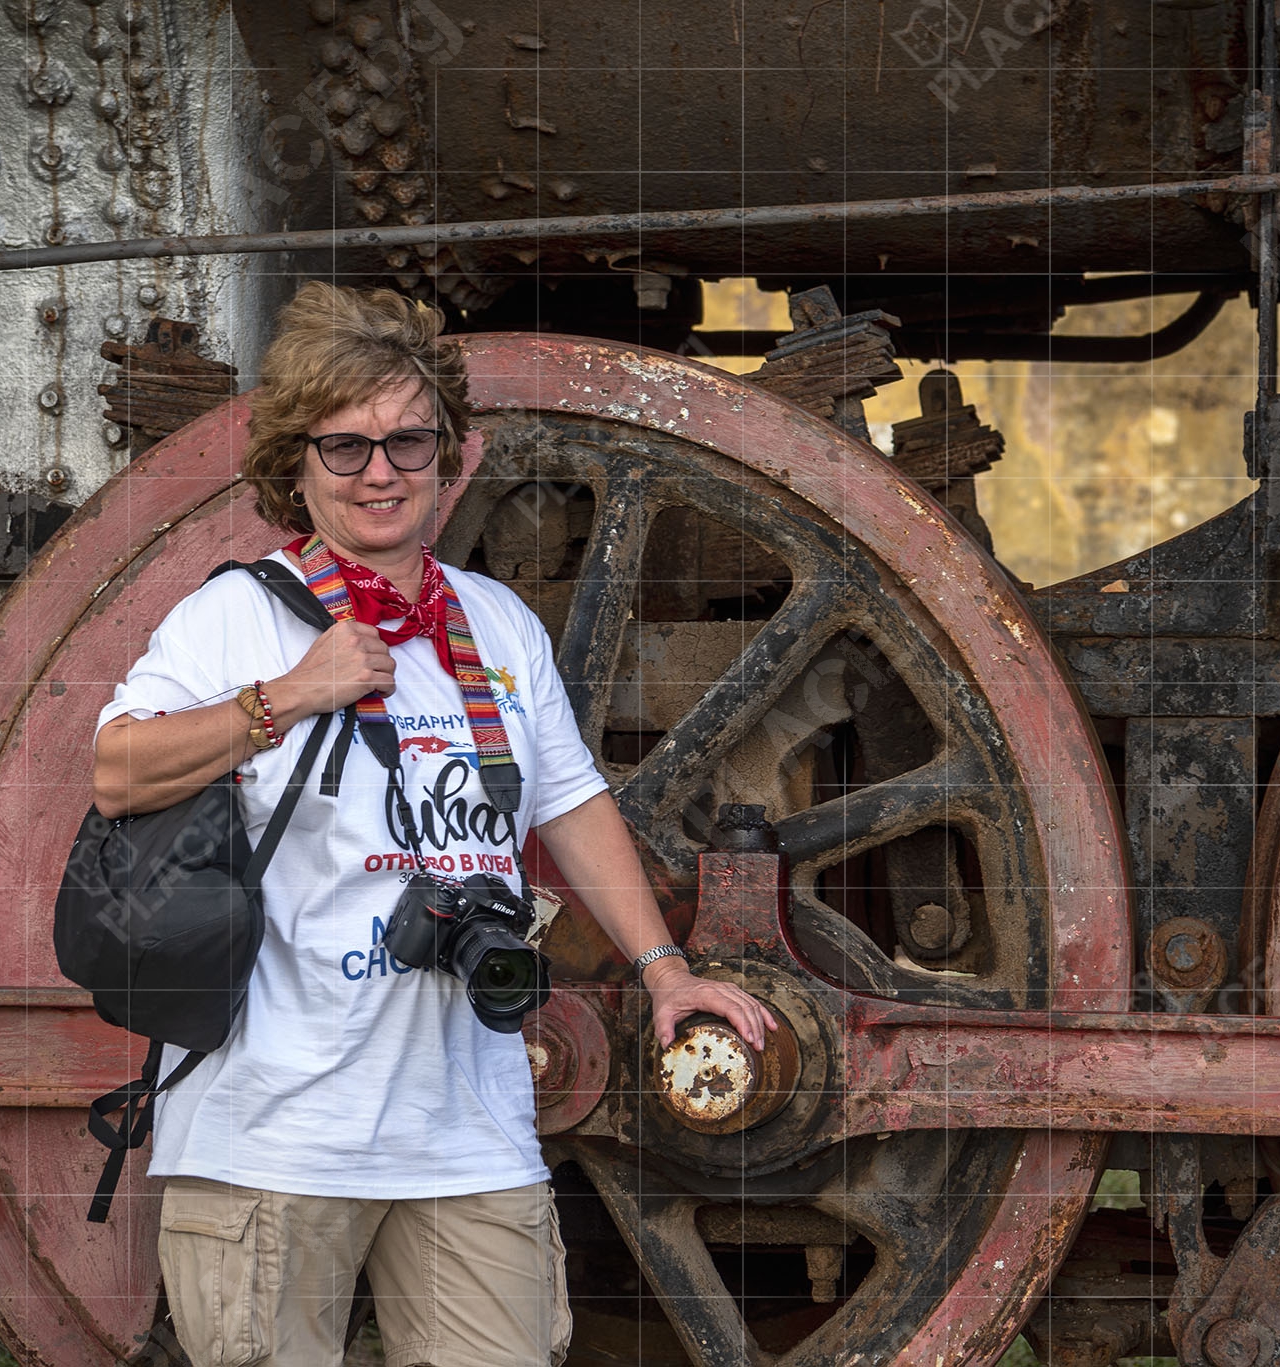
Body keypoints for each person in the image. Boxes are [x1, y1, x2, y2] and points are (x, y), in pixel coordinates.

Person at [92, 281, 775, 1367]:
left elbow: (570, 799)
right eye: (347, 446)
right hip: (275, 1126)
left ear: (450, 455)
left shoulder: (491, 619)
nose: (380, 472)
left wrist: (663, 969)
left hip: (468, 1127)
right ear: (296, 464)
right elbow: (116, 770)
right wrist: (286, 696)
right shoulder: (239, 613)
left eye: (410, 442)